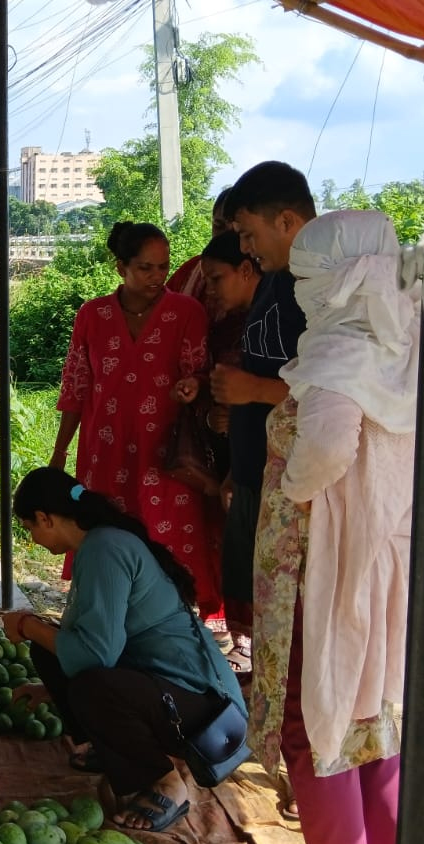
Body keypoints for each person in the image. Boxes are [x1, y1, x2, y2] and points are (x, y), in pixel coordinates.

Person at [248, 211, 424, 844]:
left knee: (316, 722)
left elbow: (329, 446)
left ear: (336, 279)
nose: (302, 292)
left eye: (306, 278)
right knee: (374, 716)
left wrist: (297, 488)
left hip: (330, 565)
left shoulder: (344, 346)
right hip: (404, 559)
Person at [3, 466, 245, 833]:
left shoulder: (104, 549)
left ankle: (167, 783)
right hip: (168, 691)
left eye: (30, 528)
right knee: (49, 650)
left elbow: (94, 656)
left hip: (205, 710)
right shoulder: (97, 545)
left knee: (89, 684)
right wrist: (49, 687)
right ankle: (111, 748)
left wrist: (26, 626)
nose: (33, 539)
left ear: (44, 518)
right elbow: (93, 640)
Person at [50, 221, 225, 635]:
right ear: (121, 267)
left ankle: (171, 631)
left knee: (169, 544)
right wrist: (60, 451)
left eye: (163, 267)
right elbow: (76, 386)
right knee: (107, 537)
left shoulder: (187, 313)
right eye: (146, 268)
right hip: (104, 454)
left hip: (166, 455)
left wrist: (193, 385)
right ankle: (110, 627)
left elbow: (202, 372)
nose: (157, 276)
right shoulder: (92, 315)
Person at [210, 162, 315, 661]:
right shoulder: (275, 277)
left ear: (287, 221)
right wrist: (238, 467)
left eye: (249, 234)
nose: (245, 247)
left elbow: (332, 394)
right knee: (264, 616)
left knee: (296, 627)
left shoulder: (324, 289)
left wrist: (251, 388)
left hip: (300, 484)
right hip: (259, 470)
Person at [195, 229, 263, 671]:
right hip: (240, 460)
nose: (211, 291)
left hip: (274, 464)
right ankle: (246, 645)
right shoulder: (230, 324)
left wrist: (243, 403)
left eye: (216, 279)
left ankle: (257, 650)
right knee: (239, 557)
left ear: (246, 269)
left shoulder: (281, 317)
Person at [164, 188, 234, 303]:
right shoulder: (191, 269)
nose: (224, 236)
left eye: (236, 230)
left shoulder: (263, 276)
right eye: (218, 226)